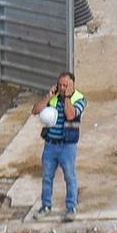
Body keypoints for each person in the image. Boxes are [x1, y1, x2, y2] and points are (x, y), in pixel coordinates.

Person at [30, 72, 84, 221]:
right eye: (60, 85)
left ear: (72, 85)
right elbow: (35, 110)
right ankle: (46, 205)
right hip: (50, 145)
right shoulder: (53, 97)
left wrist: (67, 97)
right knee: (47, 177)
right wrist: (48, 96)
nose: (62, 87)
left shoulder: (79, 99)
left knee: (69, 176)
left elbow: (71, 115)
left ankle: (71, 207)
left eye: (65, 85)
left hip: (67, 146)